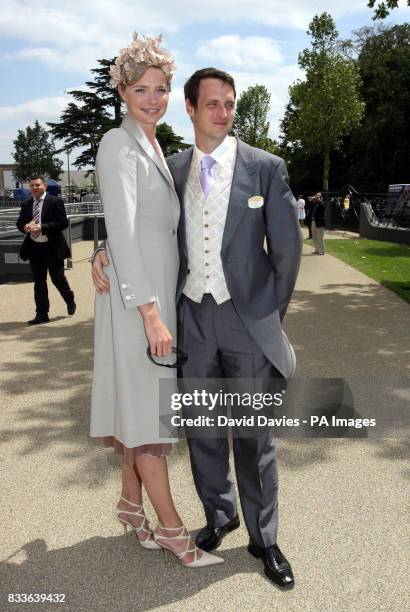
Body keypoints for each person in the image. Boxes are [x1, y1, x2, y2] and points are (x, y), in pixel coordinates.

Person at [93, 67, 302, 588]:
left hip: (246, 320)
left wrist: (267, 315)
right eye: (211, 103)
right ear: (190, 108)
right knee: (204, 433)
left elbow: (288, 251)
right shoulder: (173, 168)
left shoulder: (265, 167)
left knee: (255, 436)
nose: (223, 113)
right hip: (191, 322)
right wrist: (103, 251)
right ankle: (219, 514)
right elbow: (140, 223)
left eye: (229, 104)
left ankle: (264, 538)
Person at [90, 34, 223, 569]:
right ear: (122, 90)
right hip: (137, 307)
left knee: (142, 410)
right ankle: (172, 530)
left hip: (150, 301)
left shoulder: (150, 147)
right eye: (141, 89)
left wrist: (102, 250)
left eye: (161, 89)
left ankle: (129, 504)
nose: (152, 98)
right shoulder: (117, 143)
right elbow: (123, 230)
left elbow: (145, 227)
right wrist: (148, 313)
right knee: (148, 419)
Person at [16, 176, 76, 325]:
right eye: (32, 186)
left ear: (44, 186)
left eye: (37, 185)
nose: (34, 188)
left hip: (52, 248)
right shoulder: (27, 203)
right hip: (35, 248)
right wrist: (25, 227)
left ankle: (69, 299)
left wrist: (42, 228)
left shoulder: (55, 201)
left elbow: (62, 223)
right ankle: (42, 314)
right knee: (39, 283)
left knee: (58, 279)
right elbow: (20, 222)